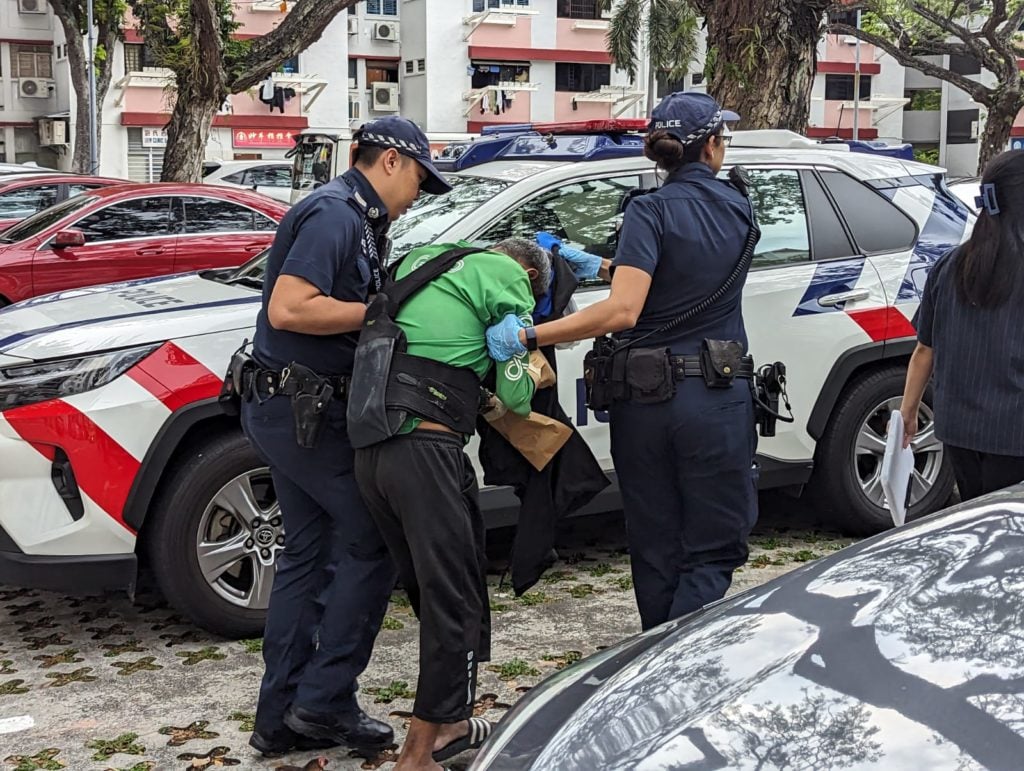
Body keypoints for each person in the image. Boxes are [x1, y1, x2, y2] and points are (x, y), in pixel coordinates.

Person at [486, 91, 760, 631]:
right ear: (710, 148)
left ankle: (653, 659)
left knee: (655, 547)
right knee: (711, 550)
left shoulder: (648, 210)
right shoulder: (739, 206)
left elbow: (627, 308)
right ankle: (678, 667)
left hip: (646, 406)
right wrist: (608, 265)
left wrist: (528, 334)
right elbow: (666, 283)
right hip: (714, 400)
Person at [240, 116, 452, 757]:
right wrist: (385, 313)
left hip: (292, 408)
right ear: (390, 161)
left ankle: (281, 717)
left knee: (309, 554)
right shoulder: (336, 214)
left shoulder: (354, 217)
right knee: (373, 535)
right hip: (303, 412)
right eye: (418, 177)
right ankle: (324, 701)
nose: (417, 192)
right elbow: (290, 307)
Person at [351, 239, 542, 771]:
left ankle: (453, 720)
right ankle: (419, 754)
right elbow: (519, 398)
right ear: (526, 271)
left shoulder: (424, 259)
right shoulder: (507, 275)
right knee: (453, 600)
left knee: (438, 588)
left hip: (373, 451)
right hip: (426, 451)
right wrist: (516, 360)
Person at [901, 149, 1024, 502]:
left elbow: (925, 348)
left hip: (959, 429)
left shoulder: (949, 265)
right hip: (1015, 431)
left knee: (976, 521)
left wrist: (908, 412)